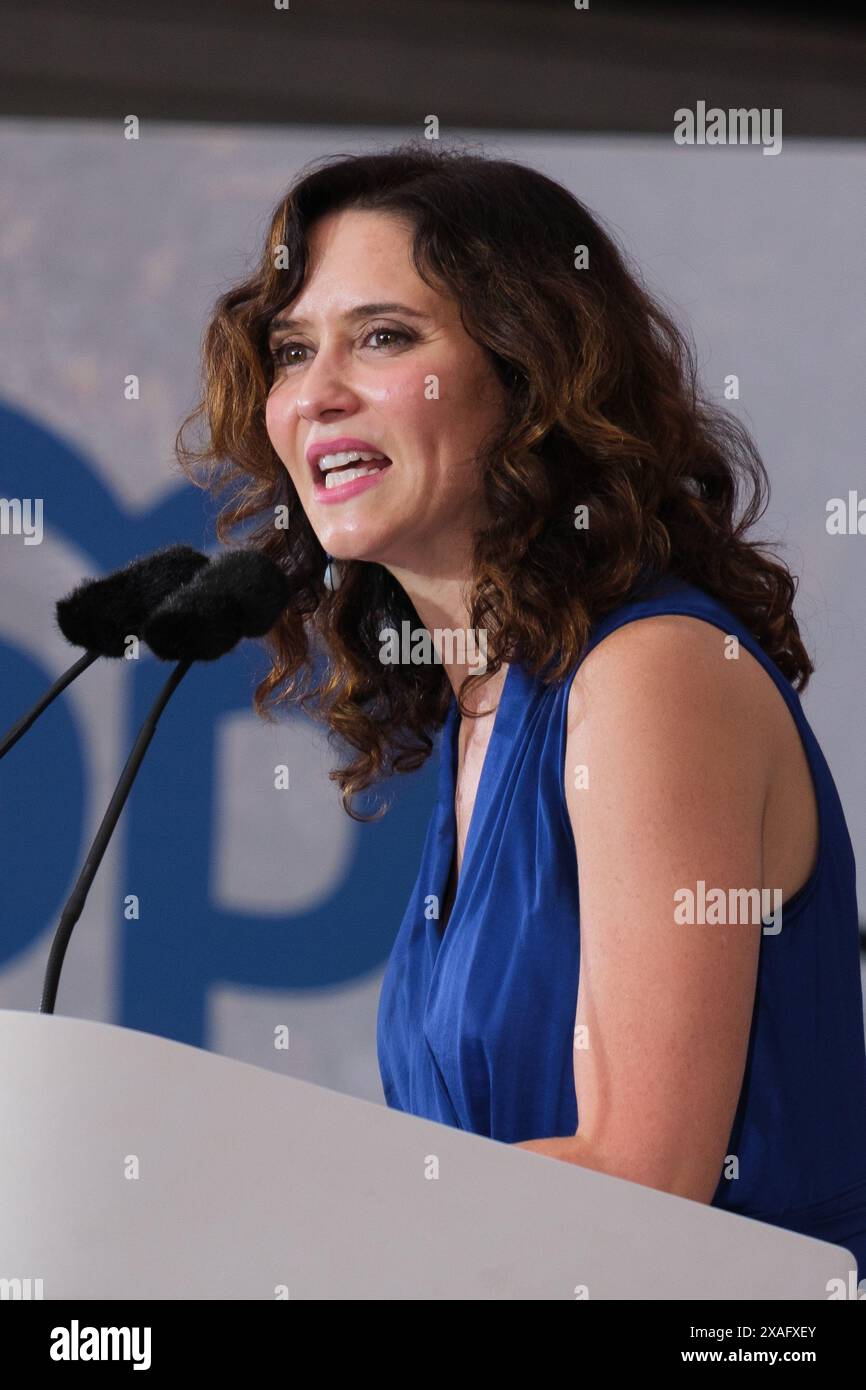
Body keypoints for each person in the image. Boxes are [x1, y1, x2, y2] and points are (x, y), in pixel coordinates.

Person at [176, 141, 866, 1288]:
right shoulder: (485, 712)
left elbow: (642, 1177)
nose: (315, 391)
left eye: (383, 336)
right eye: (294, 351)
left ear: (530, 375)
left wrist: (264, 1243)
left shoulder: (649, 674)